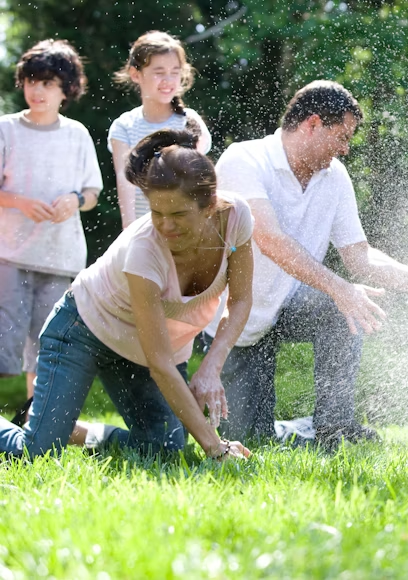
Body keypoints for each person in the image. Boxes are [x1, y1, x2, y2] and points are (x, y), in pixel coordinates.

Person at [203, 80, 408, 447]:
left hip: (288, 302)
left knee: (342, 307)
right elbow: (270, 241)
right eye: (342, 136)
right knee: (251, 441)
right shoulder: (244, 160)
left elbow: (359, 256)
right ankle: (297, 429)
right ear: (313, 124)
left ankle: (333, 430)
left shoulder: (334, 177)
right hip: (235, 320)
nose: (346, 149)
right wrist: (340, 287)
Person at [0, 129, 253, 462]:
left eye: (178, 215)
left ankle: (77, 431)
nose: (166, 226)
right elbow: (160, 364)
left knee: (163, 451)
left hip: (144, 347)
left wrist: (211, 366)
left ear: (208, 206)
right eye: (157, 213)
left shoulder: (235, 217)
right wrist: (216, 449)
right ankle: (46, 429)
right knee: (37, 454)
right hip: (83, 331)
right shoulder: (144, 250)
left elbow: (241, 300)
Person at [0, 39, 102, 403]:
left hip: (61, 259)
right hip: (9, 256)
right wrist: (20, 203)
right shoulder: (6, 129)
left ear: (67, 89)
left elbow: (92, 193)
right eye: (30, 81)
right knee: (3, 345)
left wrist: (74, 201)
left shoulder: (77, 135)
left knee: (46, 349)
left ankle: (32, 422)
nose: (36, 90)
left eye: (47, 83)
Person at [110, 30, 212, 229]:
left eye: (175, 72)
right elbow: (125, 182)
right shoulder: (124, 126)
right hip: (143, 229)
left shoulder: (190, 121)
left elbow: (199, 183)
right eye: (159, 72)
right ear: (135, 74)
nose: (168, 80)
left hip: (187, 229)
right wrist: (129, 232)